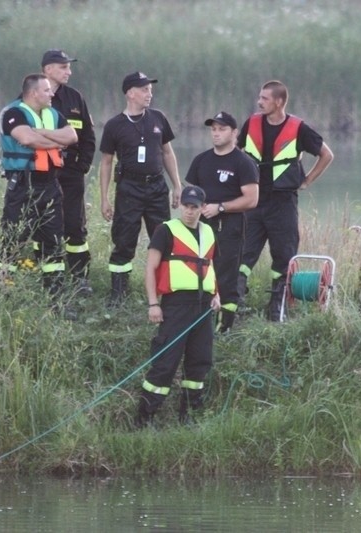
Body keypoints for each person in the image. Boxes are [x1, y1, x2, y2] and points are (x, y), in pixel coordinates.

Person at [237, 80, 334, 321]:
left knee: (284, 255)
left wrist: (308, 180)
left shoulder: (298, 127)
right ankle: (234, 304)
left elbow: (327, 154)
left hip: (283, 202)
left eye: (265, 98)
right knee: (242, 254)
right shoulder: (252, 123)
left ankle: (276, 309)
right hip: (255, 200)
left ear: (279, 102)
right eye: (260, 97)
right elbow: (237, 152)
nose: (259, 102)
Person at [136, 185, 221, 428]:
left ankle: (189, 415)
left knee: (200, 361)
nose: (189, 211)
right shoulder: (166, 230)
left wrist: (217, 294)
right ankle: (145, 419)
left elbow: (210, 266)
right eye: (186, 206)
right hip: (175, 306)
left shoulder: (208, 232)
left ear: (203, 208)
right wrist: (153, 304)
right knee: (165, 363)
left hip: (204, 307)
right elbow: (151, 268)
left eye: (195, 207)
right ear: (180, 205)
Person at [99, 71, 183, 307]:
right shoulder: (115, 125)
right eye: (144, 90)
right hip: (129, 188)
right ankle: (118, 293)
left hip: (156, 187)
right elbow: (106, 162)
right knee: (124, 240)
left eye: (150, 90)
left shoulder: (158, 118)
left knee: (163, 238)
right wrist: (104, 198)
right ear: (130, 93)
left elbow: (167, 152)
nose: (149, 94)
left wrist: (177, 185)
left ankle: (163, 291)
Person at [0, 73, 78, 297]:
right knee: (13, 239)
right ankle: (2, 293)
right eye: (46, 90)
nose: (52, 93)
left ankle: (56, 298)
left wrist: (42, 133)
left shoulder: (52, 114)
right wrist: (54, 142)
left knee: (52, 242)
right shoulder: (13, 113)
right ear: (33, 93)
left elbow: (72, 137)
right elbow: (27, 139)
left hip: (50, 185)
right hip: (23, 185)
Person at [185, 111, 259, 333]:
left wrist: (220, 207)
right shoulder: (201, 160)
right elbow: (190, 193)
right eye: (213, 129)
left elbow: (252, 199)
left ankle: (225, 325)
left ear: (234, 133)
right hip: (200, 226)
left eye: (222, 129)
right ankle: (199, 318)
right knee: (198, 271)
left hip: (230, 226)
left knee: (226, 275)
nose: (216, 134)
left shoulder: (243, 162)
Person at [42, 49, 97, 293]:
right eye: (63, 67)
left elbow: (88, 136)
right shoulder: (32, 97)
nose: (69, 71)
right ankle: (45, 276)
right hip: (43, 172)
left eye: (69, 67)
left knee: (75, 224)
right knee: (44, 223)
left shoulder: (76, 98)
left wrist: (82, 166)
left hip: (72, 171)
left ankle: (80, 279)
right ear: (48, 70)